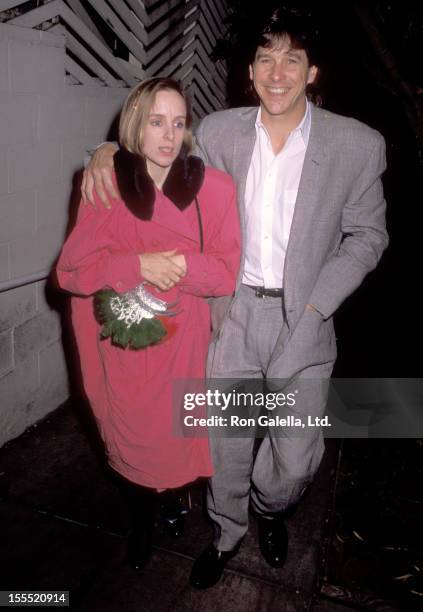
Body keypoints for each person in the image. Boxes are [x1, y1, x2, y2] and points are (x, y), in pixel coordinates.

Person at [82, 8, 389, 589]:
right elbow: (155, 151)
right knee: (224, 442)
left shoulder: (357, 145)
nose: (278, 72)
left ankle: (271, 510)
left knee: (295, 456)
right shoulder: (220, 132)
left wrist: (318, 303)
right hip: (230, 313)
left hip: (303, 318)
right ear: (250, 71)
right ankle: (228, 530)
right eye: (266, 59)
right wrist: (105, 154)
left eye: (291, 59)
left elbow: (369, 235)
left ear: (312, 71)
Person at [56, 77, 240, 570]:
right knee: (129, 441)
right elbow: (71, 272)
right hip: (124, 348)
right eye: (156, 122)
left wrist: (180, 264)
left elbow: (225, 274)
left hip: (182, 346)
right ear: (135, 125)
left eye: (178, 123)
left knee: (178, 440)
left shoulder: (215, 189)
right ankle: (141, 519)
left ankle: (175, 499)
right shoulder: (105, 184)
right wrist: (135, 265)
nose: (168, 135)